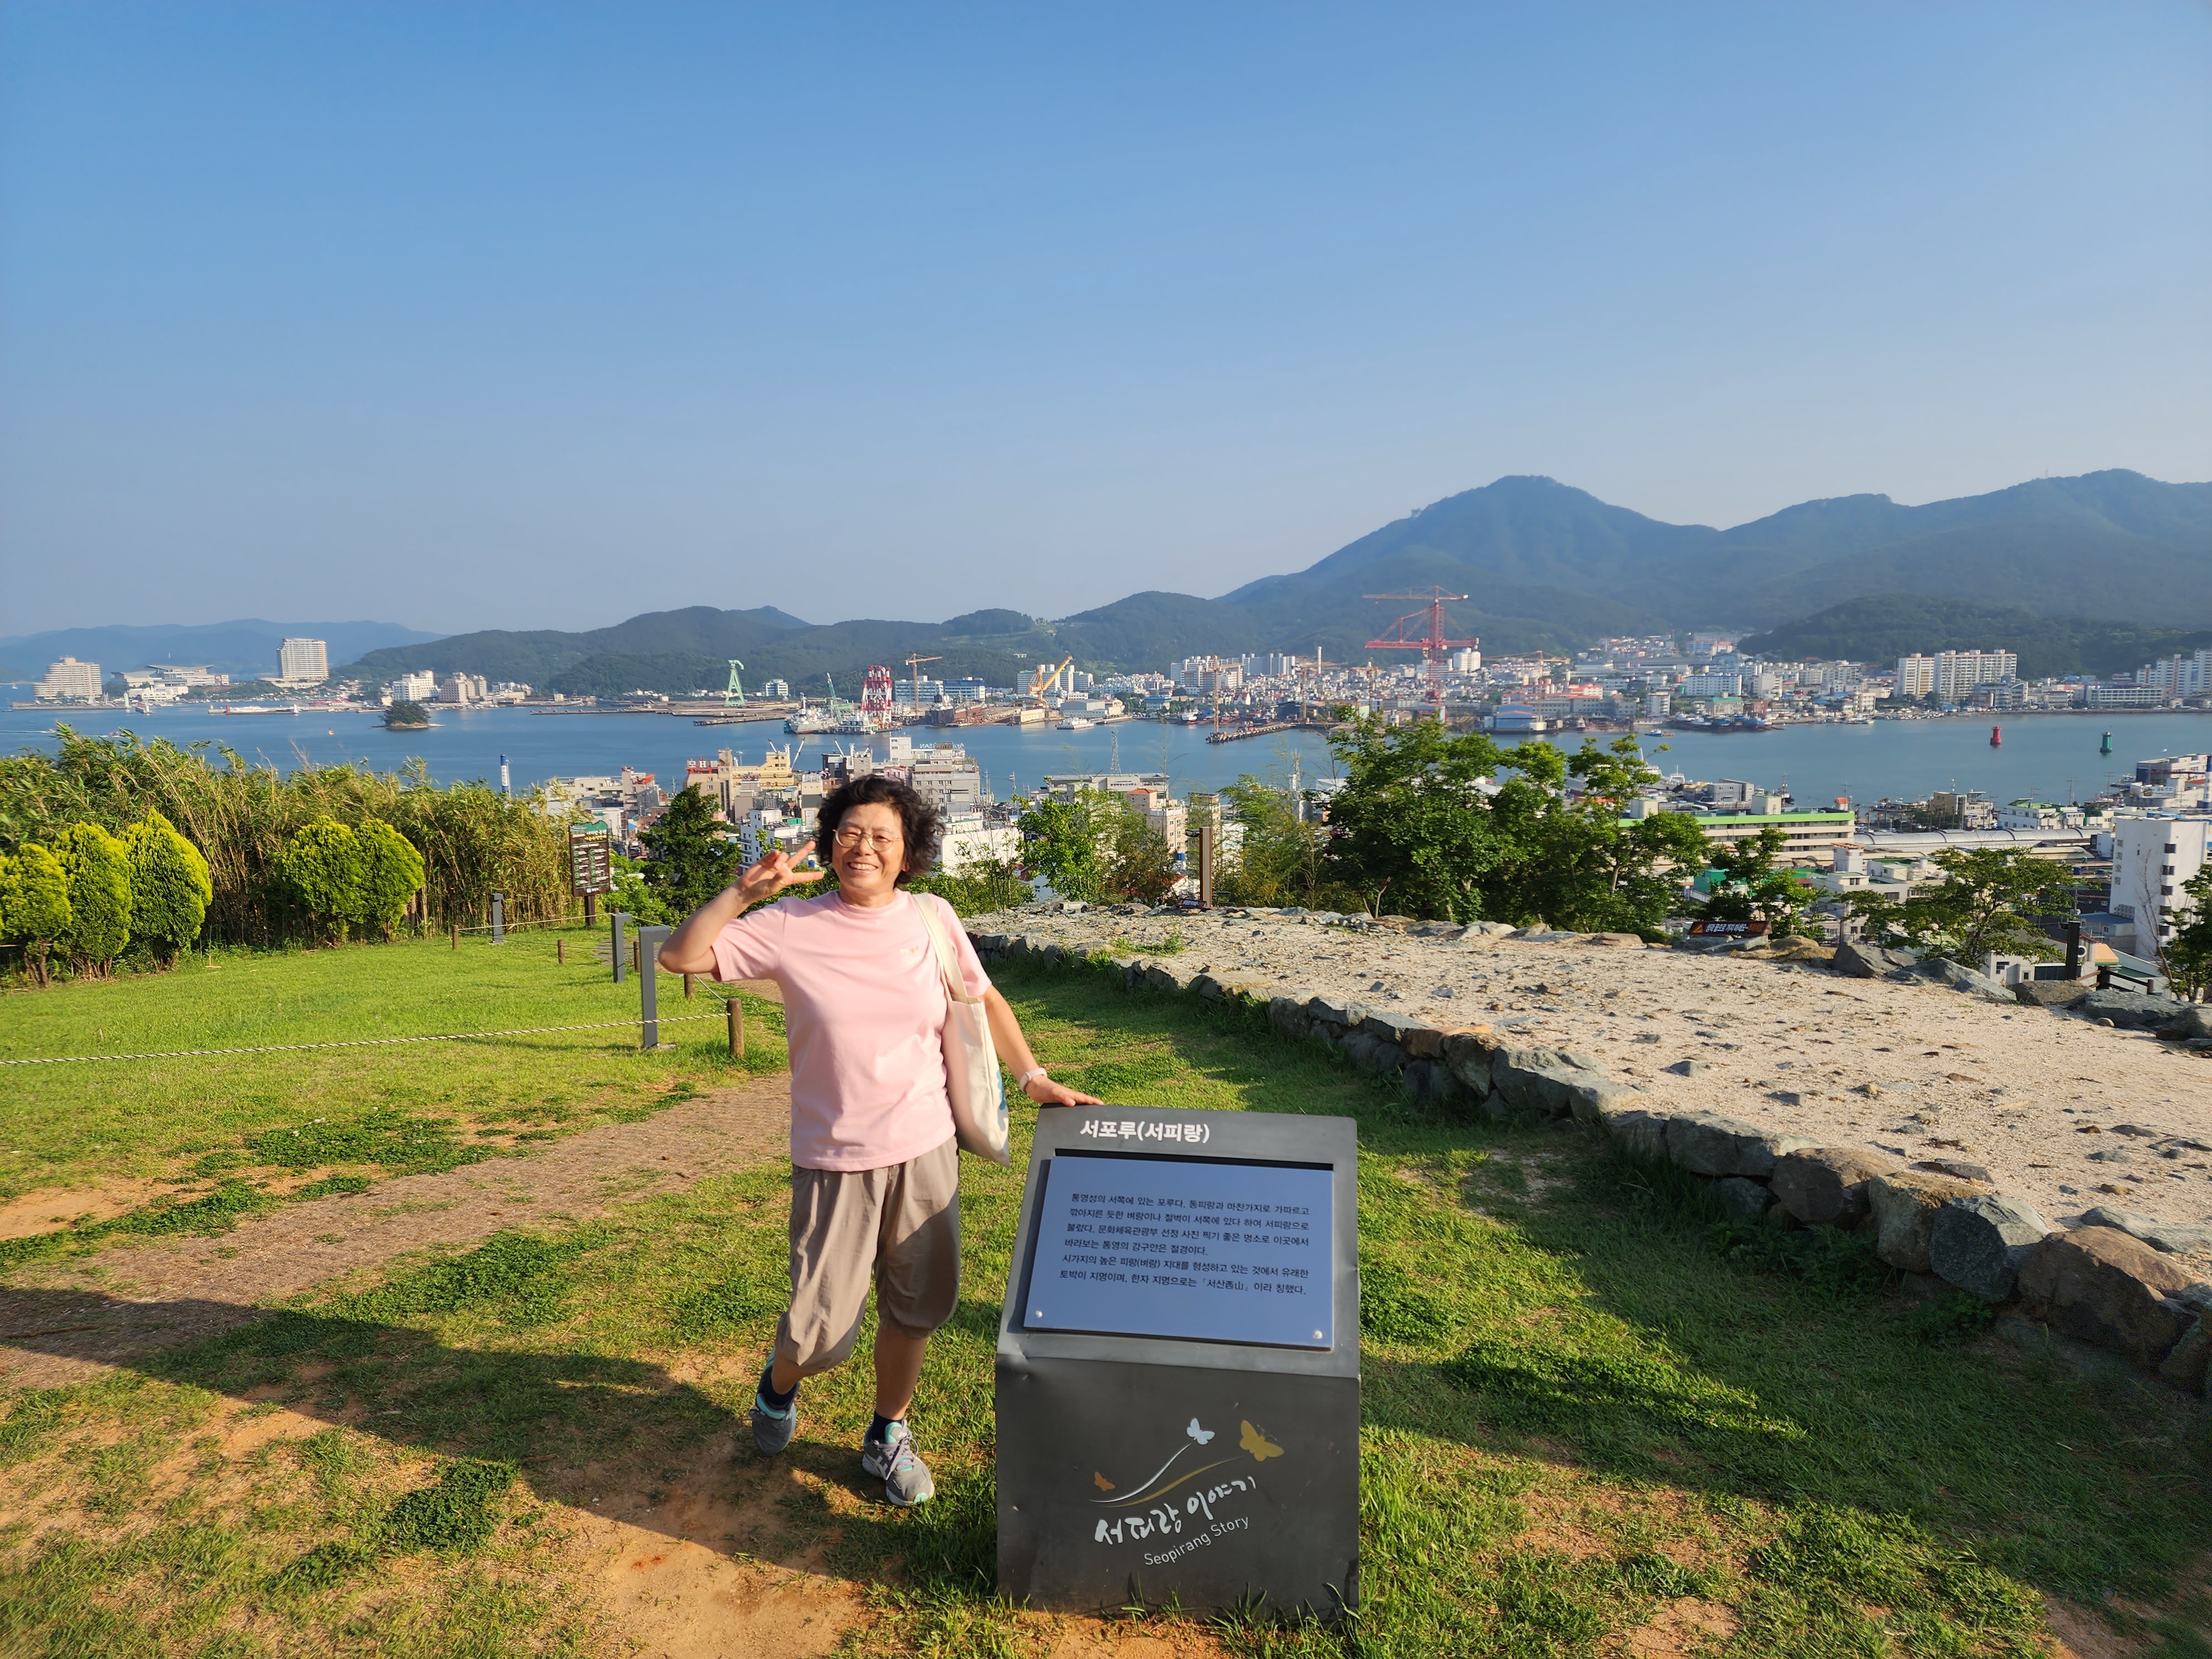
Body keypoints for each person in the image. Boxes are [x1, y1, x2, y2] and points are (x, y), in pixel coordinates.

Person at [657, 773, 1099, 1506]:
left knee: (917, 1306)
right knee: (820, 1331)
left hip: (927, 1149)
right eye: (850, 833)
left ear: (907, 852)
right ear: (830, 842)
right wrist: (742, 894)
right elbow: (679, 957)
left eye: (881, 837)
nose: (863, 847)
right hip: (835, 1157)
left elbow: (983, 997)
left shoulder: (932, 917)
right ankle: (778, 1387)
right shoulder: (792, 924)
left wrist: (1033, 1078)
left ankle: (887, 1433)